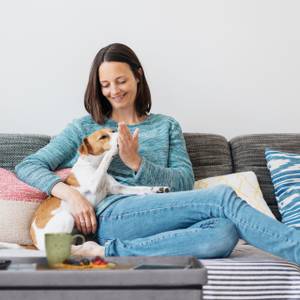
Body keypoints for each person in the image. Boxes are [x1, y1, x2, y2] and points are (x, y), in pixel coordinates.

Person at [16, 43, 300, 263]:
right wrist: (72, 195)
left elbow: (183, 183)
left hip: (160, 215)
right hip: (111, 214)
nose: (114, 90)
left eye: (120, 80)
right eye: (105, 85)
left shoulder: (166, 126)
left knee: (224, 232)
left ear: (137, 75)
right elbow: (29, 165)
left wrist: (137, 162)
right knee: (222, 197)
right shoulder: (86, 128)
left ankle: (104, 251)